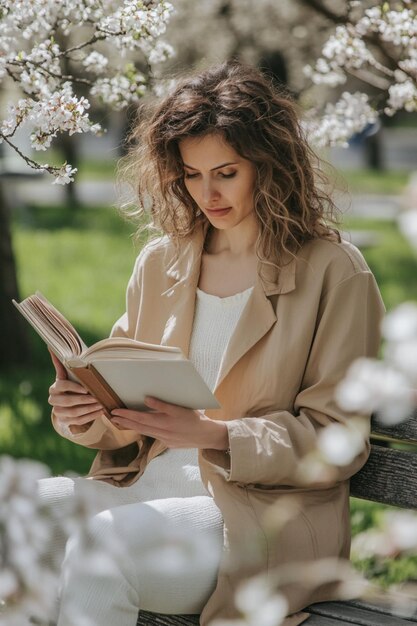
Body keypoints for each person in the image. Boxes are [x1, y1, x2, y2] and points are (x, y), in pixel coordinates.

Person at [44, 60, 385, 626]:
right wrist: (85, 415)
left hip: (257, 518)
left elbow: (337, 439)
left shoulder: (335, 271)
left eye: (226, 172)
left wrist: (215, 435)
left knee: (106, 545)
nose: (207, 193)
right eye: (191, 174)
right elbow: (127, 408)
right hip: (147, 488)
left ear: (268, 165)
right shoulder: (163, 261)